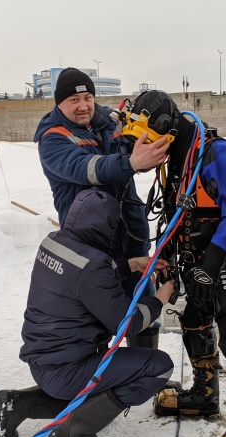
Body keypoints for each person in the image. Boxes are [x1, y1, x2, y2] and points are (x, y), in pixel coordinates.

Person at [121, 89, 226, 437]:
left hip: (222, 258)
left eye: (148, 139)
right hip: (190, 257)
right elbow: (173, 209)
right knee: (194, 320)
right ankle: (204, 393)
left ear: (166, 127)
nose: (146, 149)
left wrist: (211, 265)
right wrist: (167, 254)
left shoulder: (215, 152)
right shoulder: (174, 155)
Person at [0, 187, 175, 437]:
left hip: (45, 360)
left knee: (100, 388)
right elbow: (128, 323)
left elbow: (82, 279)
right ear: (109, 227)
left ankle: (16, 405)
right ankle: (74, 433)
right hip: (69, 369)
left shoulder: (53, 242)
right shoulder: (93, 265)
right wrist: (160, 298)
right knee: (158, 367)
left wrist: (132, 265)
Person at [33, 68, 170, 304]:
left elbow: (132, 151)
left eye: (87, 98)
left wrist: (148, 155)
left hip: (131, 232)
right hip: (90, 242)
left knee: (141, 305)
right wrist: (133, 162)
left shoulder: (110, 122)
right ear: (59, 103)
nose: (83, 105)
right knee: (99, 309)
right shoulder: (52, 138)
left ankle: (143, 339)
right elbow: (88, 169)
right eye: (74, 100)